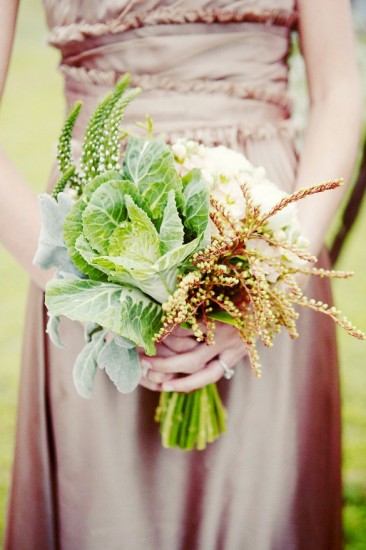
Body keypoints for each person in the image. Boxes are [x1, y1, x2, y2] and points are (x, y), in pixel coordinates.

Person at [1, 1, 362, 549]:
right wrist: (93, 294)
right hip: (94, 235)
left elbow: (338, 89)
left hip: (266, 229)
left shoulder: (272, 264)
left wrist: (272, 277)